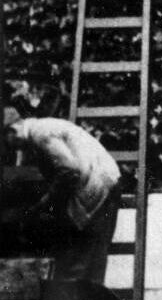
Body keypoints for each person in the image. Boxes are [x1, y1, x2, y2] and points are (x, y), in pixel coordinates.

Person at [4, 114, 121, 283]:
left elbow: (69, 170)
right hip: (108, 181)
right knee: (94, 263)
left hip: (95, 187)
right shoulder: (45, 126)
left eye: (7, 141)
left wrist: (45, 202)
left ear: (13, 130)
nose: (13, 148)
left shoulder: (39, 133)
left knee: (77, 263)